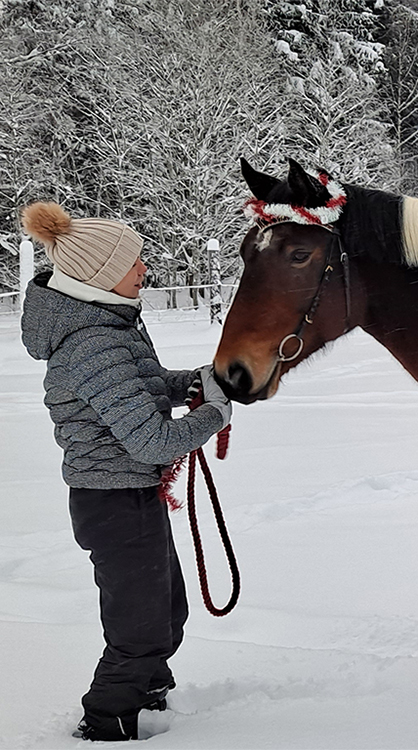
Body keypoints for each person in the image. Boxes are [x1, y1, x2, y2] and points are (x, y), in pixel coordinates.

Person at [19, 202, 232, 742]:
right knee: (139, 627)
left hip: (130, 496)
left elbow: (146, 383)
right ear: (102, 274)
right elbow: (150, 440)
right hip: (113, 499)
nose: (144, 270)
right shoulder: (94, 343)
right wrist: (212, 414)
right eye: (135, 262)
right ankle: (107, 721)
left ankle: (150, 693)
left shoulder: (109, 327)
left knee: (167, 610)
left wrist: (202, 380)